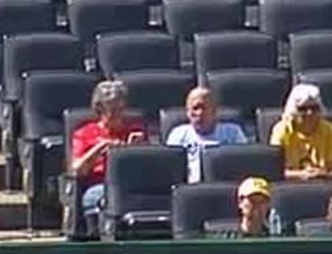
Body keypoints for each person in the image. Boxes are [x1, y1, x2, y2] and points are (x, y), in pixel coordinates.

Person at [69, 80, 148, 237]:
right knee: (110, 197)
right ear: (100, 109)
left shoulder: (135, 130)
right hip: (99, 185)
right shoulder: (84, 133)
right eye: (113, 110)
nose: (119, 114)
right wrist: (100, 148)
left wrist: (138, 148)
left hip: (131, 186)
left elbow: (150, 166)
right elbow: (77, 170)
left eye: (121, 109)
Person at [165, 86, 247, 183]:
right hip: (188, 187)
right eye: (195, 108)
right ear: (187, 112)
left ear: (214, 111)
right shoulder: (177, 135)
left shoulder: (233, 133)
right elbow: (171, 171)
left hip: (224, 186)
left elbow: (243, 168)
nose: (200, 113)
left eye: (204, 108)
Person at [269, 82, 332, 183]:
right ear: (293, 111)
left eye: (314, 108)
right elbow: (274, 173)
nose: (309, 113)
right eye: (303, 109)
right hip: (290, 187)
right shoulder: (281, 130)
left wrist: (321, 174)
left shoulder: (329, 129)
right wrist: (302, 175)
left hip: (323, 184)